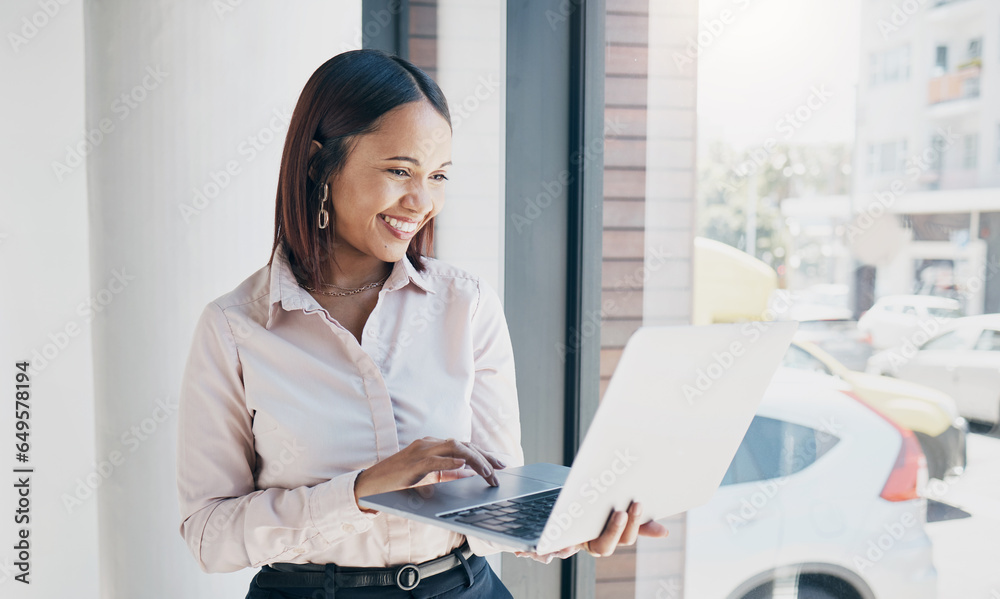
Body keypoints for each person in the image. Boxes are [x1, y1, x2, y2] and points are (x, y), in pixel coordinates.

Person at [176, 49, 668, 599]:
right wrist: (361, 492)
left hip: (464, 587)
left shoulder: (467, 305)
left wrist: (566, 525)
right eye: (399, 171)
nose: (422, 201)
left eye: (438, 176)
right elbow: (207, 536)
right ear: (318, 164)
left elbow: (494, 496)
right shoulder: (234, 328)